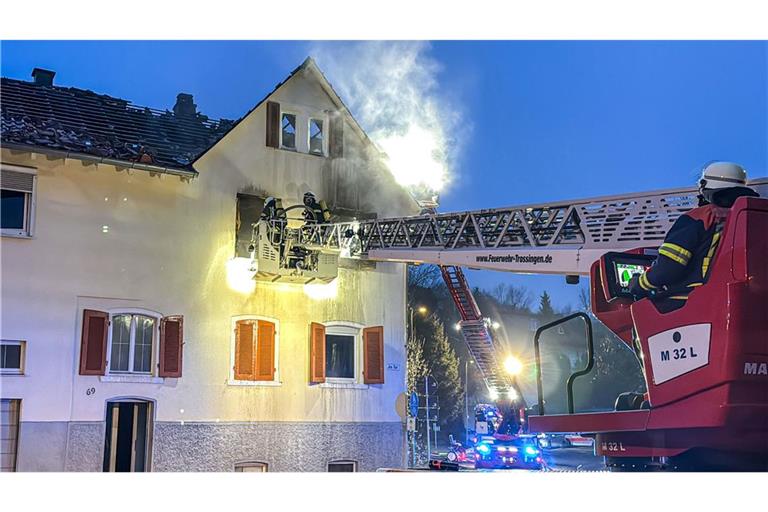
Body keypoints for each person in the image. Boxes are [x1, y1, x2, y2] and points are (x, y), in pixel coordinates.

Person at [629, 161, 760, 313]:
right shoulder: (751, 217)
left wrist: (638, 284)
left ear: (705, 186)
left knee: (641, 313)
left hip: (692, 302)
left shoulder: (698, 218)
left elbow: (668, 269)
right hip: (741, 302)